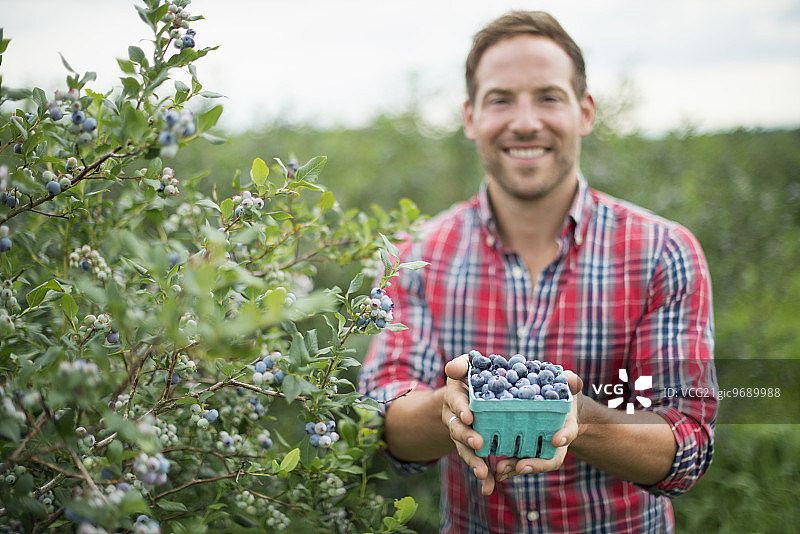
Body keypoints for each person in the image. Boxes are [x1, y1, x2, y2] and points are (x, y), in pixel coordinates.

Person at [359, 10, 717, 533]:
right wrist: (452, 409)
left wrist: (579, 420)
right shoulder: (416, 255)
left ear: (585, 111)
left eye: (548, 97)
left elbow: (686, 443)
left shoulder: (663, 252)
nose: (525, 121)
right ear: (470, 116)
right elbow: (381, 420)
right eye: (500, 99)